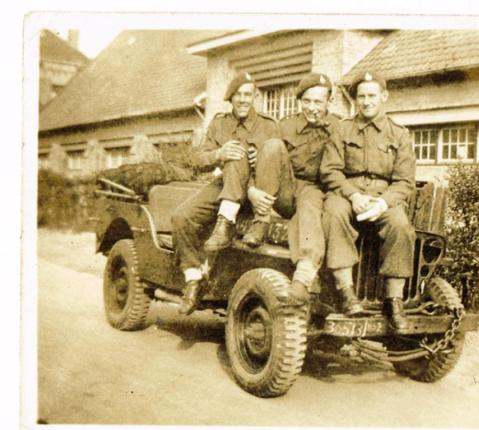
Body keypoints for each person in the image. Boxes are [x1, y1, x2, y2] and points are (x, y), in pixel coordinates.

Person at [207, 72, 340, 305]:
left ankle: (304, 277)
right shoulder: (285, 125)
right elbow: (261, 163)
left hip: (317, 190)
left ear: (329, 101)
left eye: (318, 101)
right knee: (271, 145)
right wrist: (252, 190)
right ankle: (261, 222)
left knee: (309, 207)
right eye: (306, 101)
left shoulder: (340, 127)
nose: (312, 107)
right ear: (300, 101)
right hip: (285, 189)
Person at [171, 73, 278, 315]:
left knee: (239, 157)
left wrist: (259, 158)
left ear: (255, 97)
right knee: (180, 218)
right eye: (238, 95)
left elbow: (280, 162)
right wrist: (219, 153)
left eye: (248, 95)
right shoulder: (219, 123)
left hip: (256, 192)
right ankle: (193, 279)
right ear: (231, 98)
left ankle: (225, 223)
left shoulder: (269, 125)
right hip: (224, 187)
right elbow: (198, 159)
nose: (243, 100)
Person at [320, 71, 416, 330]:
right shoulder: (342, 129)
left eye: (372, 95)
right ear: (355, 100)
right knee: (333, 213)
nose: (366, 101)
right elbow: (330, 170)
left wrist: (383, 203)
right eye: (361, 96)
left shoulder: (399, 134)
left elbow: (405, 181)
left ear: (384, 96)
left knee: (400, 226)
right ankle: (346, 293)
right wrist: (353, 195)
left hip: (383, 198)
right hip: (346, 192)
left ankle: (393, 300)